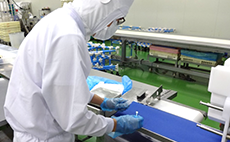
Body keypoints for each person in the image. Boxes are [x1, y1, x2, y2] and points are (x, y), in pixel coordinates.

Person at [4, 0, 143, 141]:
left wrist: (102, 101)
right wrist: (115, 124)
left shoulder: (59, 20)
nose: (114, 25)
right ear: (105, 9)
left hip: (35, 129)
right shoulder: (68, 36)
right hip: (45, 136)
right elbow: (73, 118)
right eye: (117, 20)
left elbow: (62, 90)